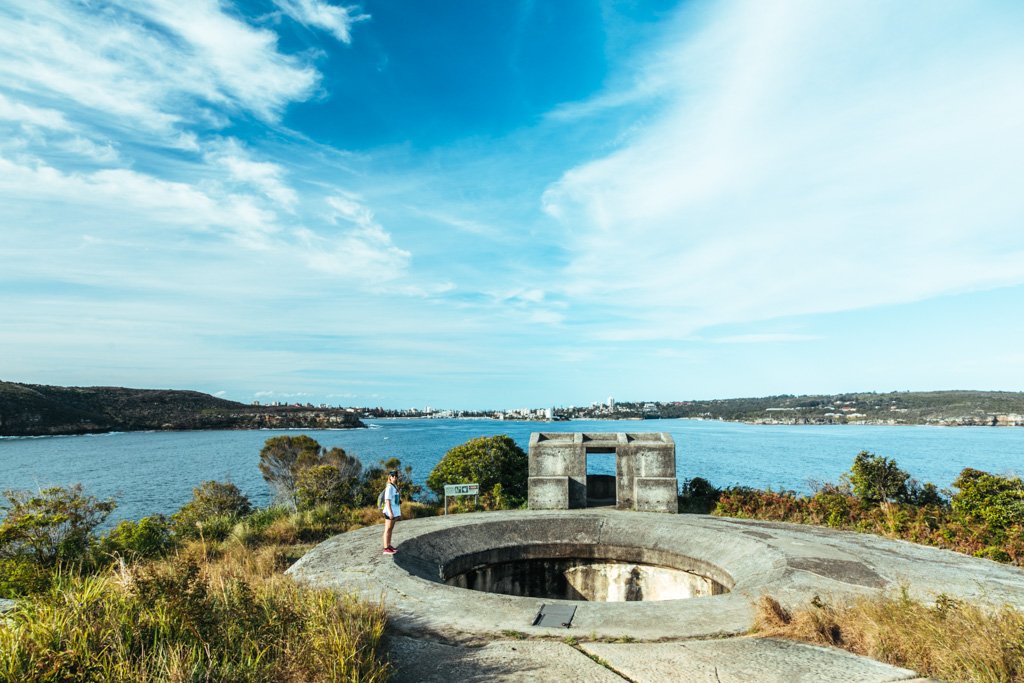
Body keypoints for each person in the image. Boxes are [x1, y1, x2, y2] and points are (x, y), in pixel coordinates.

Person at [382, 470, 401, 555]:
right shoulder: (389, 487)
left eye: (395, 476)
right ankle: (386, 548)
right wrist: (390, 513)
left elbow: (393, 498)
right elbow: (387, 501)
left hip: (394, 511)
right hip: (389, 511)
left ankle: (389, 545)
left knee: (390, 529)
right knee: (387, 529)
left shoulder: (394, 486)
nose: (394, 477)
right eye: (392, 476)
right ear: (389, 477)